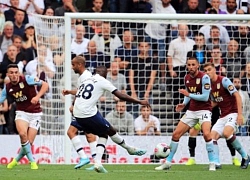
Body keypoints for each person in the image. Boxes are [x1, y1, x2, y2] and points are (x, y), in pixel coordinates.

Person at [71, 58, 148, 173]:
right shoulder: (102, 80)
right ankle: (129, 148)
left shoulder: (87, 79)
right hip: (87, 113)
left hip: (78, 112)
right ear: (105, 74)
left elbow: (79, 94)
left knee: (103, 133)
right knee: (110, 131)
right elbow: (121, 96)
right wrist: (139, 101)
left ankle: (97, 162)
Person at [155, 57, 217, 171]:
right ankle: (168, 162)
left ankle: (212, 162)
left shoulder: (205, 77)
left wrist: (188, 95)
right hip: (192, 111)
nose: (191, 67)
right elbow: (189, 94)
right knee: (175, 135)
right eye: (189, 65)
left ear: (198, 65)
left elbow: (204, 97)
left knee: (207, 135)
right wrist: (184, 103)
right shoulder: (187, 77)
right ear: (186, 66)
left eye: (193, 64)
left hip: (204, 110)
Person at [0, 64, 49, 169]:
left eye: (16, 72)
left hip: (36, 113)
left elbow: (45, 85)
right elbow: (1, 99)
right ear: (8, 74)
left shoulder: (28, 79)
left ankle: (16, 160)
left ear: (18, 73)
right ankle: (32, 161)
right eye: (11, 73)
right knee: (22, 134)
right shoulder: (7, 88)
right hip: (22, 112)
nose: (14, 75)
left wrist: (37, 96)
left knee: (28, 142)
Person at [203, 62, 250, 169]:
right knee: (211, 137)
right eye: (205, 71)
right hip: (223, 115)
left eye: (209, 69)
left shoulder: (224, 80)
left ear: (215, 70)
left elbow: (237, 96)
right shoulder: (209, 85)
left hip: (233, 113)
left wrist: (240, 115)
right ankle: (216, 163)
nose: (207, 72)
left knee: (227, 132)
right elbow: (216, 101)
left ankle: (245, 156)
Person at [62, 56, 97, 169]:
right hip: (87, 109)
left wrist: (73, 105)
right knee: (89, 135)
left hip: (83, 110)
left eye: (73, 65)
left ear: (79, 65)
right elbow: (81, 91)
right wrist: (69, 92)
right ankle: (96, 162)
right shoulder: (84, 76)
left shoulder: (85, 77)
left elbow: (83, 94)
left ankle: (84, 157)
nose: (72, 67)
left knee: (71, 132)